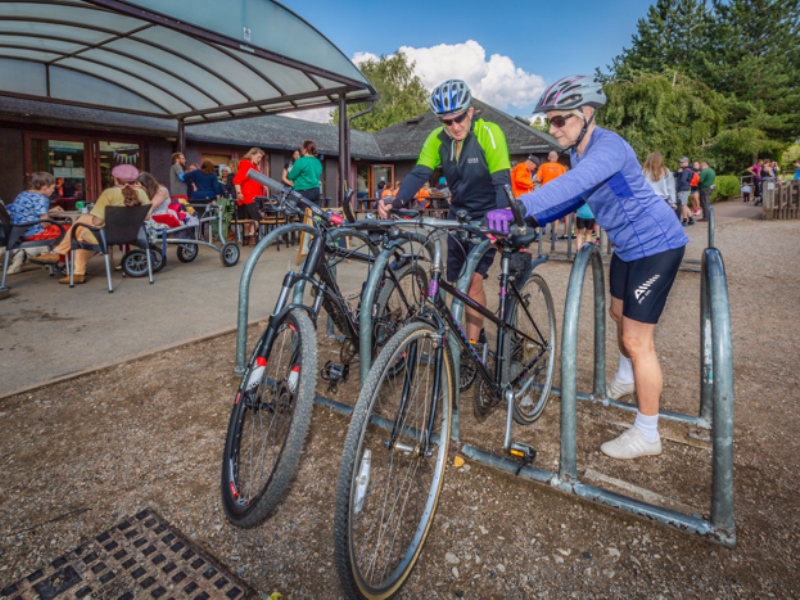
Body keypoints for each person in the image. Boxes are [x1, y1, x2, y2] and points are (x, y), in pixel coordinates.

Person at [492, 75, 689, 460]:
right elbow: (572, 198)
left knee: (637, 339)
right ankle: (627, 376)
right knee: (618, 313)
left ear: (585, 114)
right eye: (550, 121)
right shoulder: (581, 152)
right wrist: (527, 221)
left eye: (560, 120)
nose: (553, 129)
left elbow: (575, 183)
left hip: (659, 245)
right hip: (628, 247)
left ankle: (648, 433)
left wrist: (519, 206)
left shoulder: (608, 147)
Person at [377, 78, 512, 345]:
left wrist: (501, 216)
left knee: (472, 280)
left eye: (459, 118)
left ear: (470, 111)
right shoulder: (438, 139)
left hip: (487, 216)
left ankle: (473, 347)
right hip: (457, 217)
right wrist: (397, 200)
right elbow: (420, 173)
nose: (454, 126)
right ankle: (477, 332)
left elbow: (501, 182)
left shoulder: (489, 133)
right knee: (456, 282)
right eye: (446, 121)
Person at [40, 164, 150, 284]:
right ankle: (70, 265)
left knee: (82, 225)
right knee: (82, 229)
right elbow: (147, 216)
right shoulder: (142, 193)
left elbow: (97, 221)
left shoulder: (109, 193)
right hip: (134, 235)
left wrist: (90, 218)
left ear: (114, 178)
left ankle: (64, 259)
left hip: (106, 237)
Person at [5, 172, 65, 274]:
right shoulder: (42, 199)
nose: (53, 190)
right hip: (34, 233)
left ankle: (57, 259)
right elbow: (44, 224)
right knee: (69, 231)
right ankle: (62, 264)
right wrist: (55, 225)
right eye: (52, 188)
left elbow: (27, 211)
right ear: (45, 187)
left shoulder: (23, 194)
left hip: (19, 232)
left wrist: (49, 211)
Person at [233, 147, 266, 243]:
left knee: (248, 218)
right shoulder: (246, 165)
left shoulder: (253, 166)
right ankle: (252, 237)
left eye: (260, 158)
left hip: (252, 196)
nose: (259, 160)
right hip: (249, 196)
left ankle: (246, 238)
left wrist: (263, 185)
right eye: (258, 157)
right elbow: (237, 180)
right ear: (252, 154)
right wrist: (239, 193)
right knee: (255, 217)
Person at [535, 151, 570, 238]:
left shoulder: (543, 166)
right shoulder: (562, 168)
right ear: (557, 157)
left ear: (549, 158)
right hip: (557, 193)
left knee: (541, 212)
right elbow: (565, 181)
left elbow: (538, 179)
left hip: (545, 193)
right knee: (555, 213)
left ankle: (538, 233)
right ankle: (553, 235)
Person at [287, 140, 322, 205]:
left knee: (303, 214)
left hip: (303, 191)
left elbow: (291, 176)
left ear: (305, 149)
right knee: (315, 214)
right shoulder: (318, 162)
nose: (301, 150)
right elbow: (318, 174)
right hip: (316, 190)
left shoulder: (300, 161)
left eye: (302, 148)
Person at [674, 157, 696, 226]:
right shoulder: (684, 170)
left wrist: (678, 187)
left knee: (683, 205)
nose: (681, 163)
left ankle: (684, 220)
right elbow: (673, 175)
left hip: (683, 189)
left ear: (687, 162)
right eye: (680, 162)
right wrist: (678, 172)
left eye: (682, 162)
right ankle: (691, 219)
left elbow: (683, 180)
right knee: (685, 204)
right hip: (685, 189)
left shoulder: (685, 171)